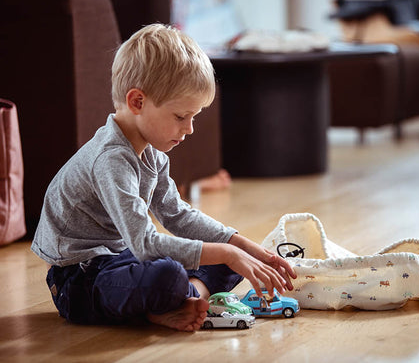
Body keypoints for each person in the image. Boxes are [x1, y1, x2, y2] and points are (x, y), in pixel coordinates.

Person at [31, 24, 296, 332]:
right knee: (172, 273)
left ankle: (181, 300)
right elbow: (145, 244)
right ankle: (173, 300)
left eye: (193, 117)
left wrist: (242, 246)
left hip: (122, 257)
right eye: (181, 116)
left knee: (227, 257)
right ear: (137, 102)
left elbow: (177, 214)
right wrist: (227, 252)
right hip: (79, 278)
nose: (190, 129)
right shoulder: (111, 160)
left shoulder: (152, 155)